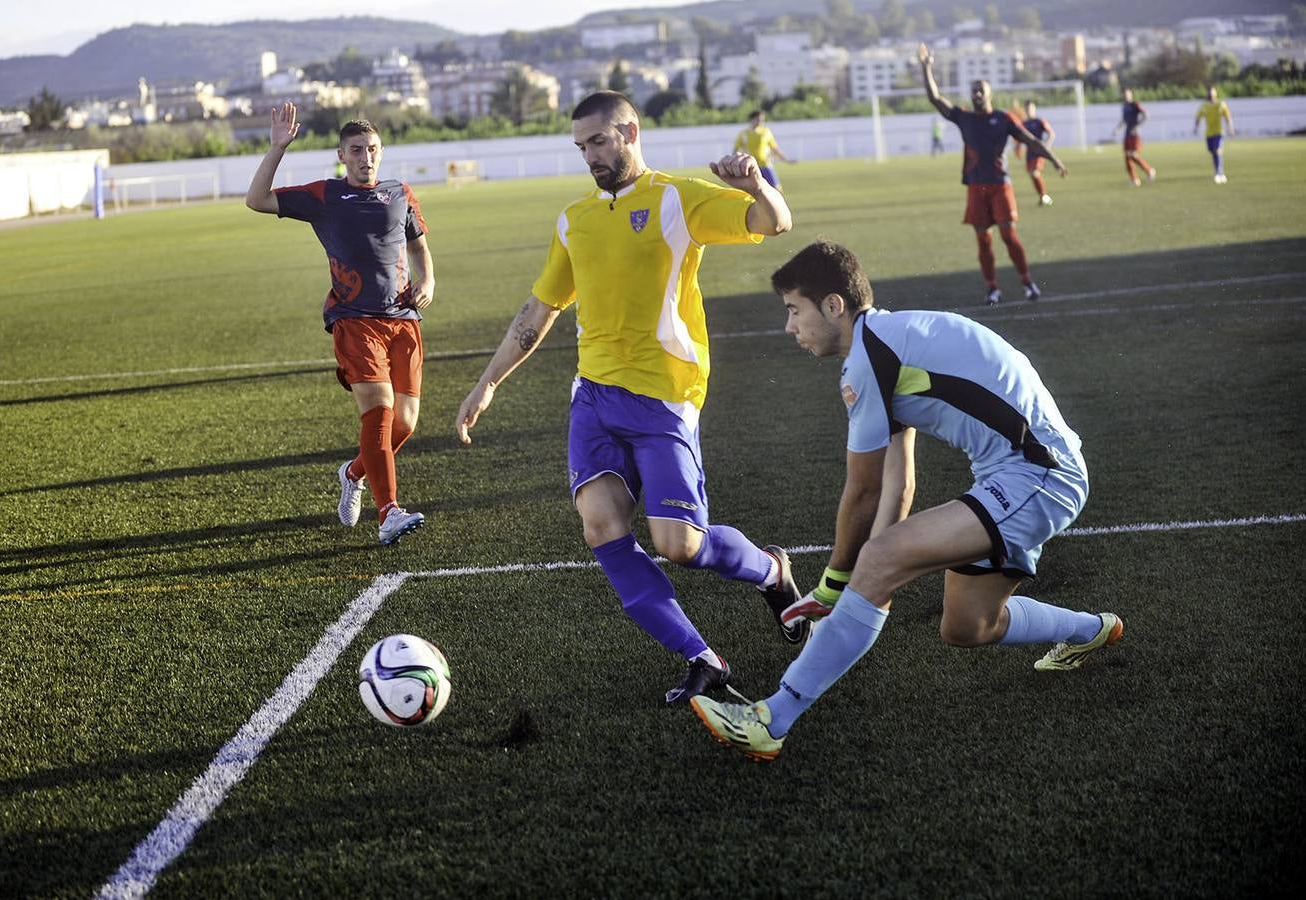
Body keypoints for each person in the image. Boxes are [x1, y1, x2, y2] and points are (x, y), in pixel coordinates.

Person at [690, 240, 1124, 761]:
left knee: (878, 558)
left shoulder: (871, 357)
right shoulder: (885, 346)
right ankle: (1094, 629)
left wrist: (840, 581)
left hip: (1039, 475)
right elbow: (898, 487)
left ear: (834, 306)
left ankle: (770, 718)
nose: (789, 328)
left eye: (793, 310)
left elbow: (865, 491)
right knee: (968, 627)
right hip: (1018, 476)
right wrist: (863, 578)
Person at [454, 91, 803, 705]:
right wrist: (487, 383)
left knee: (680, 545)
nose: (589, 155)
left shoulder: (677, 197)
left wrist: (754, 184)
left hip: (665, 397)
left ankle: (772, 571)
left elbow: (775, 222)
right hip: (593, 396)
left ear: (630, 132)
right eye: (581, 145)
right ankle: (702, 657)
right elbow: (539, 311)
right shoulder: (573, 219)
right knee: (602, 527)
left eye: (598, 142)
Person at [246, 103, 433, 546]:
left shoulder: (401, 193)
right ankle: (388, 511)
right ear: (341, 155)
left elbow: (420, 247)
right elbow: (257, 200)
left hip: (403, 319)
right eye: (356, 150)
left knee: (405, 424)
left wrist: (429, 281)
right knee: (380, 409)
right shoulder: (324, 196)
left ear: (381, 152)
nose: (365, 157)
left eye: (371, 149)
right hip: (354, 319)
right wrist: (276, 149)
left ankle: (352, 473)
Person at [917, 43, 1066, 306]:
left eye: (980, 89)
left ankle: (1027, 282)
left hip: (1000, 185)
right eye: (973, 90)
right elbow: (935, 99)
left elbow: (1030, 140)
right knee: (983, 240)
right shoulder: (963, 117)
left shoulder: (1003, 119)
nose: (976, 93)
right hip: (976, 187)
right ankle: (992, 289)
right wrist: (926, 68)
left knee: (1009, 235)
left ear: (989, 93)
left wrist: (1053, 159)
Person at [734, 110, 795, 191]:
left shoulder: (766, 132)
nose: (761, 122)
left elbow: (775, 149)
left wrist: (786, 160)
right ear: (752, 119)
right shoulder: (743, 134)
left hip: (765, 165)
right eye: (759, 119)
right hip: (751, 167)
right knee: (752, 192)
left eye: (762, 120)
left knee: (777, 189)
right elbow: (736, 150)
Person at [1111, 88, 1156, 187]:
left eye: (1127, 94)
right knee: (1127, 157)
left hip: (1135, 134)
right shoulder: (1123, 106)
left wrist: (1137, 126)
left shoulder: (1135, 104)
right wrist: (1117, 129)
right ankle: (1134, 180)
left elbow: (1146, 115)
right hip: (1127, 134)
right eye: (1124, 94)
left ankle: (1149, 170)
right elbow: (1123, 120)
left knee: (1133, 155)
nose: (1126, 96)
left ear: (1131, 95)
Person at [1018, 99, 1056, 205]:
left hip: (1039, 151)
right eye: (1027, 108)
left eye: (1030, 108)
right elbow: (1020, 138)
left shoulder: (1039, 121)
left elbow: (1051, 134)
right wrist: (1018, 147)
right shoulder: (1023, 123)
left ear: (1034, 109)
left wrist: (1047, 145)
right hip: (1029, 152)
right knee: (1032, 174)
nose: (1029, 110)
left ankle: (1044, 197)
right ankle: (1044, 197)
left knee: (1035, 173)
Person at [1194, 86, 1234, 184]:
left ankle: (1220, 174)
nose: (1211, 95)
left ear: (1215, 94)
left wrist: (1230, 129)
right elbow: (1198, 117)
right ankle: (1219, 172)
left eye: (1212, 93)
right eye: (1209, 94)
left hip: (1219, 132)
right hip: (1209, 134)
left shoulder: (1221, 104)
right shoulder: (1204, 106)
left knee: (1217, 151)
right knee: (1213, 152)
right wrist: (1196, 127)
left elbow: (1228, 117)